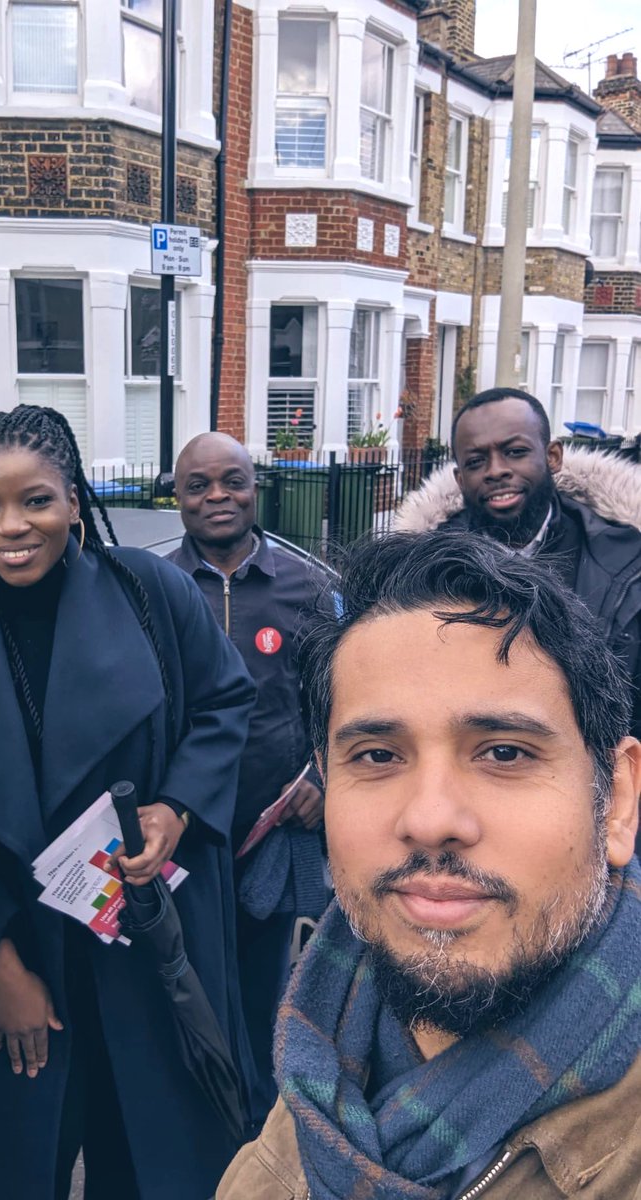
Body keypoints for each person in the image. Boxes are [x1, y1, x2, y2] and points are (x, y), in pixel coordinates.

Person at [0, 406, 257, 1200]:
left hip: (139, 941)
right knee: (24, 1166)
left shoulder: (148, 592)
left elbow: (227, 703)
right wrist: (0, 967)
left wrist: (177, 807)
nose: (10, 526)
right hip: (10, 949)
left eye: (36, 500)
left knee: (154, 1159)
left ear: (73, 499)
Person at [218, 531, 641, 1200]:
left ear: (615, 799)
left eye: (504, 753)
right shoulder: (322, 1046)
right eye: (378, 756)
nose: (430, 819)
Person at [168, 432, 328, 1128]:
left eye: (232, 481)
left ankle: (260, 1132)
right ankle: (196, 1121)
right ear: (174, 498)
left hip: (271, 833)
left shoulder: (309, 584)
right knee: (187, 986)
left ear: (255, 486)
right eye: (198, 486)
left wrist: (326, 775)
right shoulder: (153, 585)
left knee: (264, 991)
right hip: (181, 835)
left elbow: (344, 697)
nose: (217, 498)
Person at [395, 387, 641, 739]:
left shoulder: (626, 560)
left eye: (515, 452)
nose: (496, 471)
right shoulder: (419, 570)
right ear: (460, 479)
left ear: (553, 456)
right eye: (476, 462)